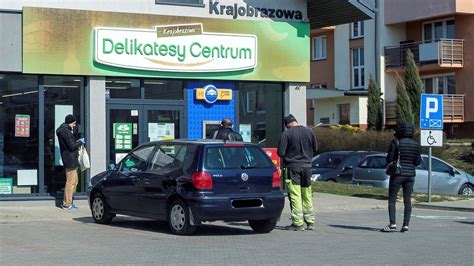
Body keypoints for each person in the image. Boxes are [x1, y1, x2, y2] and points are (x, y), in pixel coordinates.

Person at [278, 114, 318, 231]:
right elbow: (315, 148)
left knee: (295, 195)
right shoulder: (309, 131)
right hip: (307, 167)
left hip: (293, 168)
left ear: (287, 124)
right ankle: (310, 222)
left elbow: (281, 152)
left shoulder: (287, 134)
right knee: (307, 194)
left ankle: (297, 223)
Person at [381, 122, 421, 233]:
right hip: (411, 175)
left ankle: (392, 224)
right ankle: (406, 225)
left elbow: (389, 159)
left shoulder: (396, 142)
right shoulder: (416, 144)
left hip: (398, 174)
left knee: (392, 200)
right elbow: (417, 161)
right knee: (407, 200)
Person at [56, 114, 85, 210]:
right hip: (70, 160)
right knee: (70, 182)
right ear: (70, 122)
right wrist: (80, 142)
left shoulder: (65, 130)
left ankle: (69, 202)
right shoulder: (65, 131)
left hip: (70, 159)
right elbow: (72, 146)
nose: (74, 125)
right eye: (74, 123)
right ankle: (67, 204)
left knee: (74, 181)